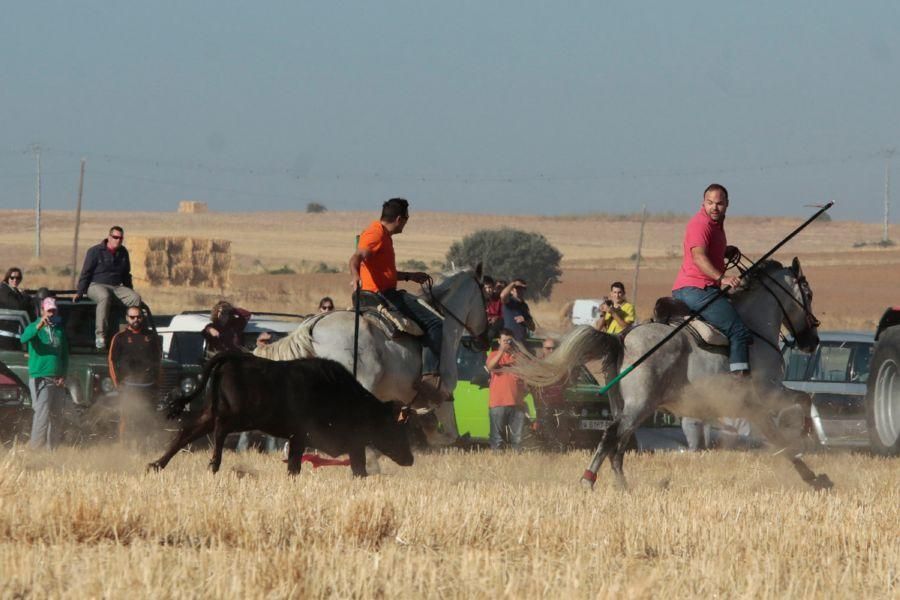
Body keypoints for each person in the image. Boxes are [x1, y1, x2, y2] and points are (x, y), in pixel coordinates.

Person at [348, 198, 446, 403]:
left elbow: (385, 271)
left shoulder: (383, 235)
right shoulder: (376, 233)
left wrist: (410, 276)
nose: (406, 223)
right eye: (407, 219)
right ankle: (428, 379)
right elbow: (356, 257)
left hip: (380, 290)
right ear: (400, 219)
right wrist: (355, 276)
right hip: (383, 295)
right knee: (436, 323)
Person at [672, 183, 752, 375]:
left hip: (692, 289)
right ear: (703, 202)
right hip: (697, 290)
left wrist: (725, 251)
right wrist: (722, 277)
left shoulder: (715, 225)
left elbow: (708, 251)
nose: (714, 207)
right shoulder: (701, 224)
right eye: (710, 203)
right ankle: (739, 383)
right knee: (738, 331)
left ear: (727, 204)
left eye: (719, 203)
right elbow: (699, 257)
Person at [75, 226, 141, 350]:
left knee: (135, 298)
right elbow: (86, 273)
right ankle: (100, 336)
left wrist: (129, 290)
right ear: (109, 237)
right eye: (115, 237)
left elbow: (126, 275)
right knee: (104, 296)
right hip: (95, 285)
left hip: (116, 287)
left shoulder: (123, 253)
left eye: (121, 238)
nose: (118, 240)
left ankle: (133, 332)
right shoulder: (95, 251)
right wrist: (79, 292)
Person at [108, 306, 162, 446]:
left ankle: (143, 446)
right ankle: (123, 446)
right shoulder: (119, 338)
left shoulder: (151, 337)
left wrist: (157, 381)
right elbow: (112, 360)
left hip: (148, 385)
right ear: (127, 318)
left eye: (138, 317)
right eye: (132, 317)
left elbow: (158, 361)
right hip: (128, 385)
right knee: (126, 417)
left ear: (142, 318)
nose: (136, 320)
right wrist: (116, 383)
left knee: (146, 417)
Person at [20, 297, 69, 450]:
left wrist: (63, 375)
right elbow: (23, 338)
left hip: (57, 379)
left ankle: (51, 451)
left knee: (57, 416)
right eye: (49, 311)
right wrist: (39, 326)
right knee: (41, 415)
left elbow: (64, 355)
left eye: (54, 310)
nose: (51, 314)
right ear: (42, 311)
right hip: (41, 377)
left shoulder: (59, 330)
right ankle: (35, 450)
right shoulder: (33, 326)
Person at [486, 329, 528, 450]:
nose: (507, 343)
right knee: (497, 439)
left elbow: (528, 374)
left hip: (517, 404)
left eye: (509, 341)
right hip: (498, 403)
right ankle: (498, 463)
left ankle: (515, 463)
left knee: (518, 439)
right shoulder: (493, 354)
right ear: (499, 341)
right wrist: (501, 351)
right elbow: (490, 367)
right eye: (504, 341)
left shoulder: (519, 356)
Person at [530, 338, 569, 451]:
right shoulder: (536, 364)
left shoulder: (561, 365)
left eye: (553, 348)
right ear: (543, 349)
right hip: (543, 403)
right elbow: (531, 384)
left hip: (559, 402)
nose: (551, 351)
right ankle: (550, 450)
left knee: (562, 428)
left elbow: (566, 382)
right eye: (548, 348)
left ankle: (560, 451)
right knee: (547, 429)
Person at [500, 279, 535, 343]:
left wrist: (525, 321)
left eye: (522, 288)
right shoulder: (509, 302)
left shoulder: (524, 306)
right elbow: (502, 295)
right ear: (511, 291)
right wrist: (513, 283)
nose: (520, 290)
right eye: (517, 288)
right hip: (508, 341)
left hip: (521, 342)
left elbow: (532, 327)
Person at [482, 276, 504, 340]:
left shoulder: (499, 299)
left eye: (490, 287)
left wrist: (496, 318)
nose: (488, 290)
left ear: (493, 287)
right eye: (485, 288)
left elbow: (504, 314)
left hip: (497, 325)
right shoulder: (479, 300)